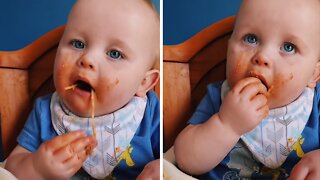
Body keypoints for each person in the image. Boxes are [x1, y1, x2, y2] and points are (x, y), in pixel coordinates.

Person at [5, 0, 160, 179]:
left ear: (143, 83)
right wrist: (37, 167)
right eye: (78, 44)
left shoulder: (147, 113)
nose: (88, 59)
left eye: (114, 54)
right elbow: (12, 167)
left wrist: (160, 169)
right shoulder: (46, 112)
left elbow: (170, 159)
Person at [174, 0, 320, 179]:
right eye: (251, 38)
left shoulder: (316, 105)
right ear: (228, 48)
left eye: (288, 47)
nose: (262, 56)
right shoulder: (220, 98)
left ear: (314, 73)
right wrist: (226, 125)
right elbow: (185, 160)